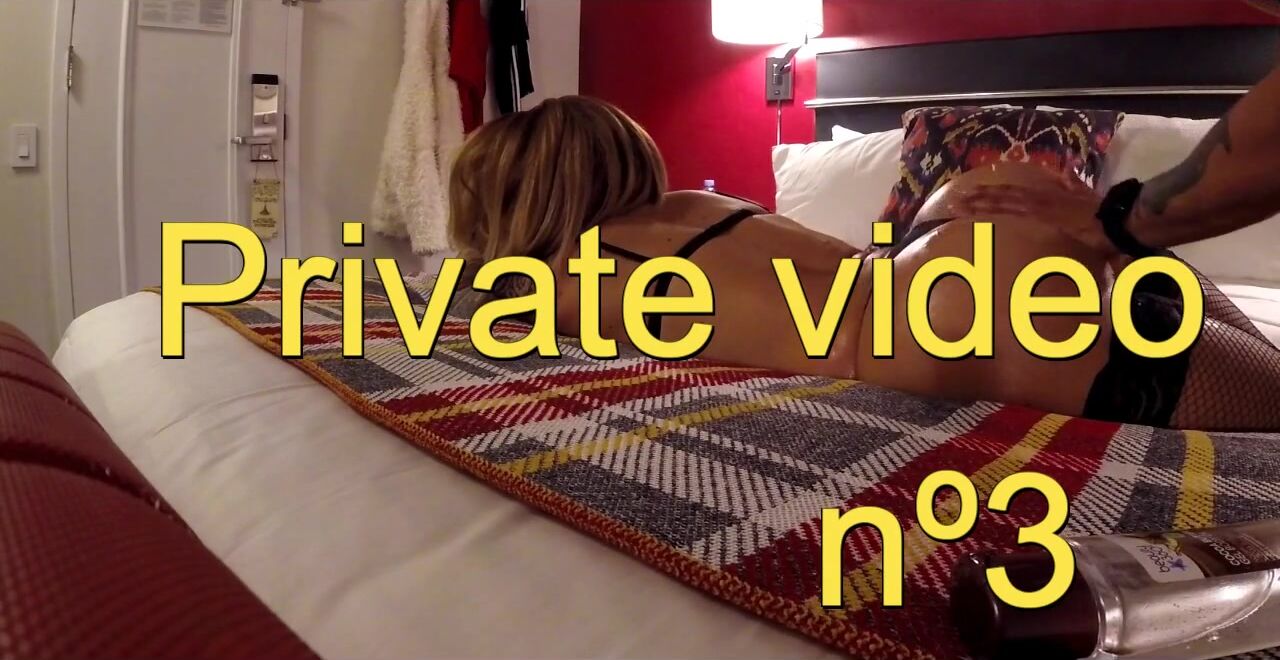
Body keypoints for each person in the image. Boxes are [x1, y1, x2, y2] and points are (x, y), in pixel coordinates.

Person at [446, 95, 1280, 432]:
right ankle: (1144, 266)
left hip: (942, 321)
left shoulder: (568, 279)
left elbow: (477, 293)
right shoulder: (702, 203)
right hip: (954, 241)